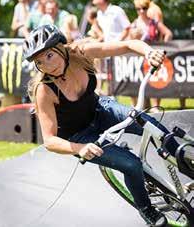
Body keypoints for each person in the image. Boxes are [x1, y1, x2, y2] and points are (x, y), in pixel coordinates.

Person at [23, 24, 182, 227]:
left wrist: (149, 52)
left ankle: (183, 159)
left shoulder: (81, 53)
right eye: (39, 62)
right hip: (80, 137)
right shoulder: (44, 90)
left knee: (151, 125)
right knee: (132, 165)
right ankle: (146, 209)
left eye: (49, 56)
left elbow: (128, 45)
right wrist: (81, 149)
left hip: (100, 109)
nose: (47, 65)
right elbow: (50, 140)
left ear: (61, 47)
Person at [126, 0, 173, 111]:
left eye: (144, 8)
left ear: (148, 9)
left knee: (155, 81)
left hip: (152, 56)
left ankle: (154, 107)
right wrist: (133, 36)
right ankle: (136, 106)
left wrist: (163, 46)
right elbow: (128, 41)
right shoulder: (134, 24)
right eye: (138, 9)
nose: (141, 11)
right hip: (138, 57)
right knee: (135, 81)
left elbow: (168, 34)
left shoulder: (154, 22)